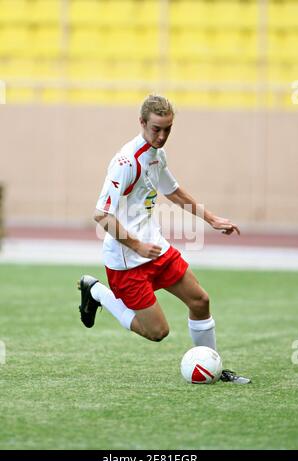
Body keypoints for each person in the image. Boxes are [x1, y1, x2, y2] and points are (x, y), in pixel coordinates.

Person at [78, 94, 250, 385]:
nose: (162, 135)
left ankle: (213, 369)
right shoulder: (125, 162)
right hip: (126, 261)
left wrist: (212, 219)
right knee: (157, 332)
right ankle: (96, 292)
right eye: (156, 128)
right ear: (142, 122)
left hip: (156, 249)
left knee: (200, 301)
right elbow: (101, 215)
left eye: (168, 129)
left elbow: (173, 191)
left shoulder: (157, 154)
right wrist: (137, 245)